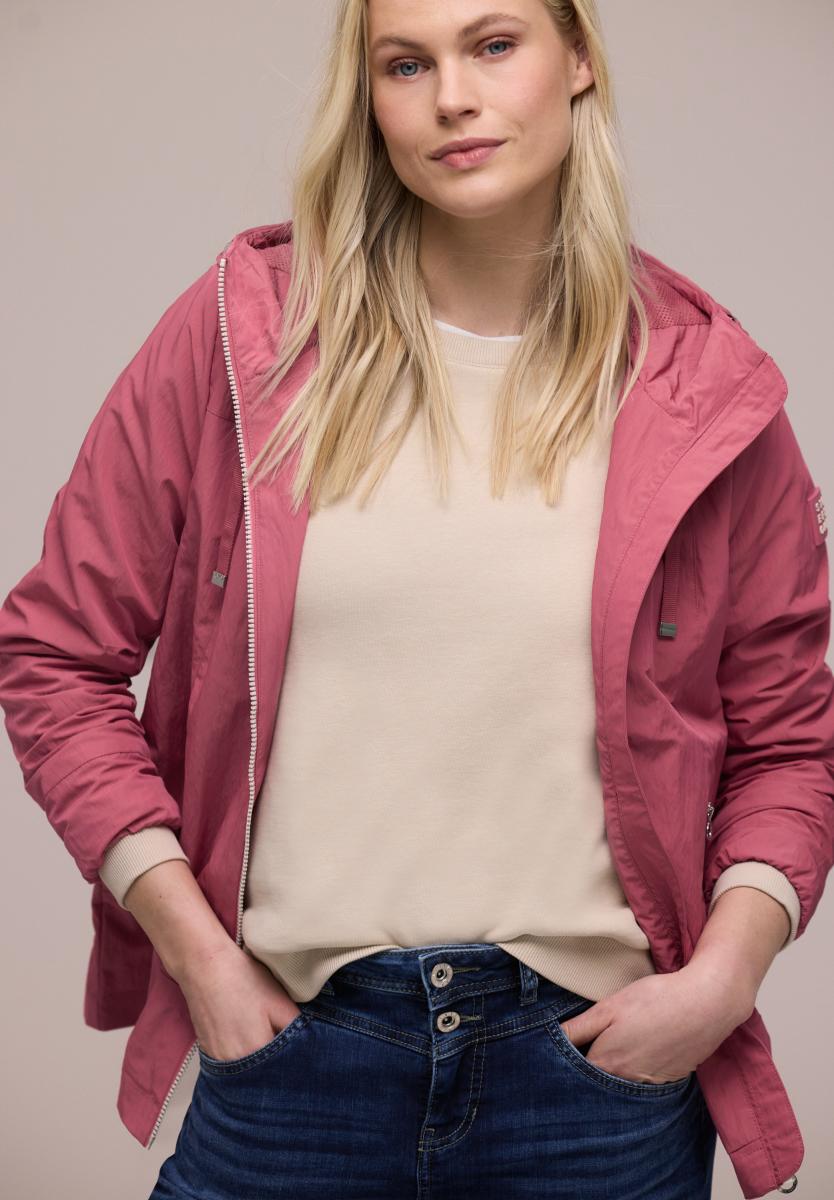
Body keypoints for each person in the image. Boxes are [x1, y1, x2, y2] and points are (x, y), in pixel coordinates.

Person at [0, 1, 830, 1196]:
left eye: (494, 44)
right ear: (370, 98)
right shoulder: (246, 337)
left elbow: (791, 743)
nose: (451, 97)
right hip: (294, 1063)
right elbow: (53, 656)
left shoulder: (705, 389)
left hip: (596, 1087)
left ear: (578, 59)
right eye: (404, 64)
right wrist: (195, 952)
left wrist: (723, 981)